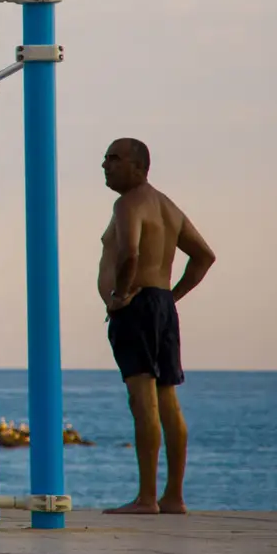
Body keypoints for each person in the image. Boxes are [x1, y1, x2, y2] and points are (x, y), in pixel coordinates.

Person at [99, 137, 216, 515]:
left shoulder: (128, 203)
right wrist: (171, 297)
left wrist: (119, 295)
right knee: (167, 398)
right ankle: (173, 497)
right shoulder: (167, 206)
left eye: (114, 158)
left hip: (137, 306)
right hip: (160, 303)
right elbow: (203, 256)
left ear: (138, 166)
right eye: (105, 158)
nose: (105, 164)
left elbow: (130, 251)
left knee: (142, 400)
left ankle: (147, 498)